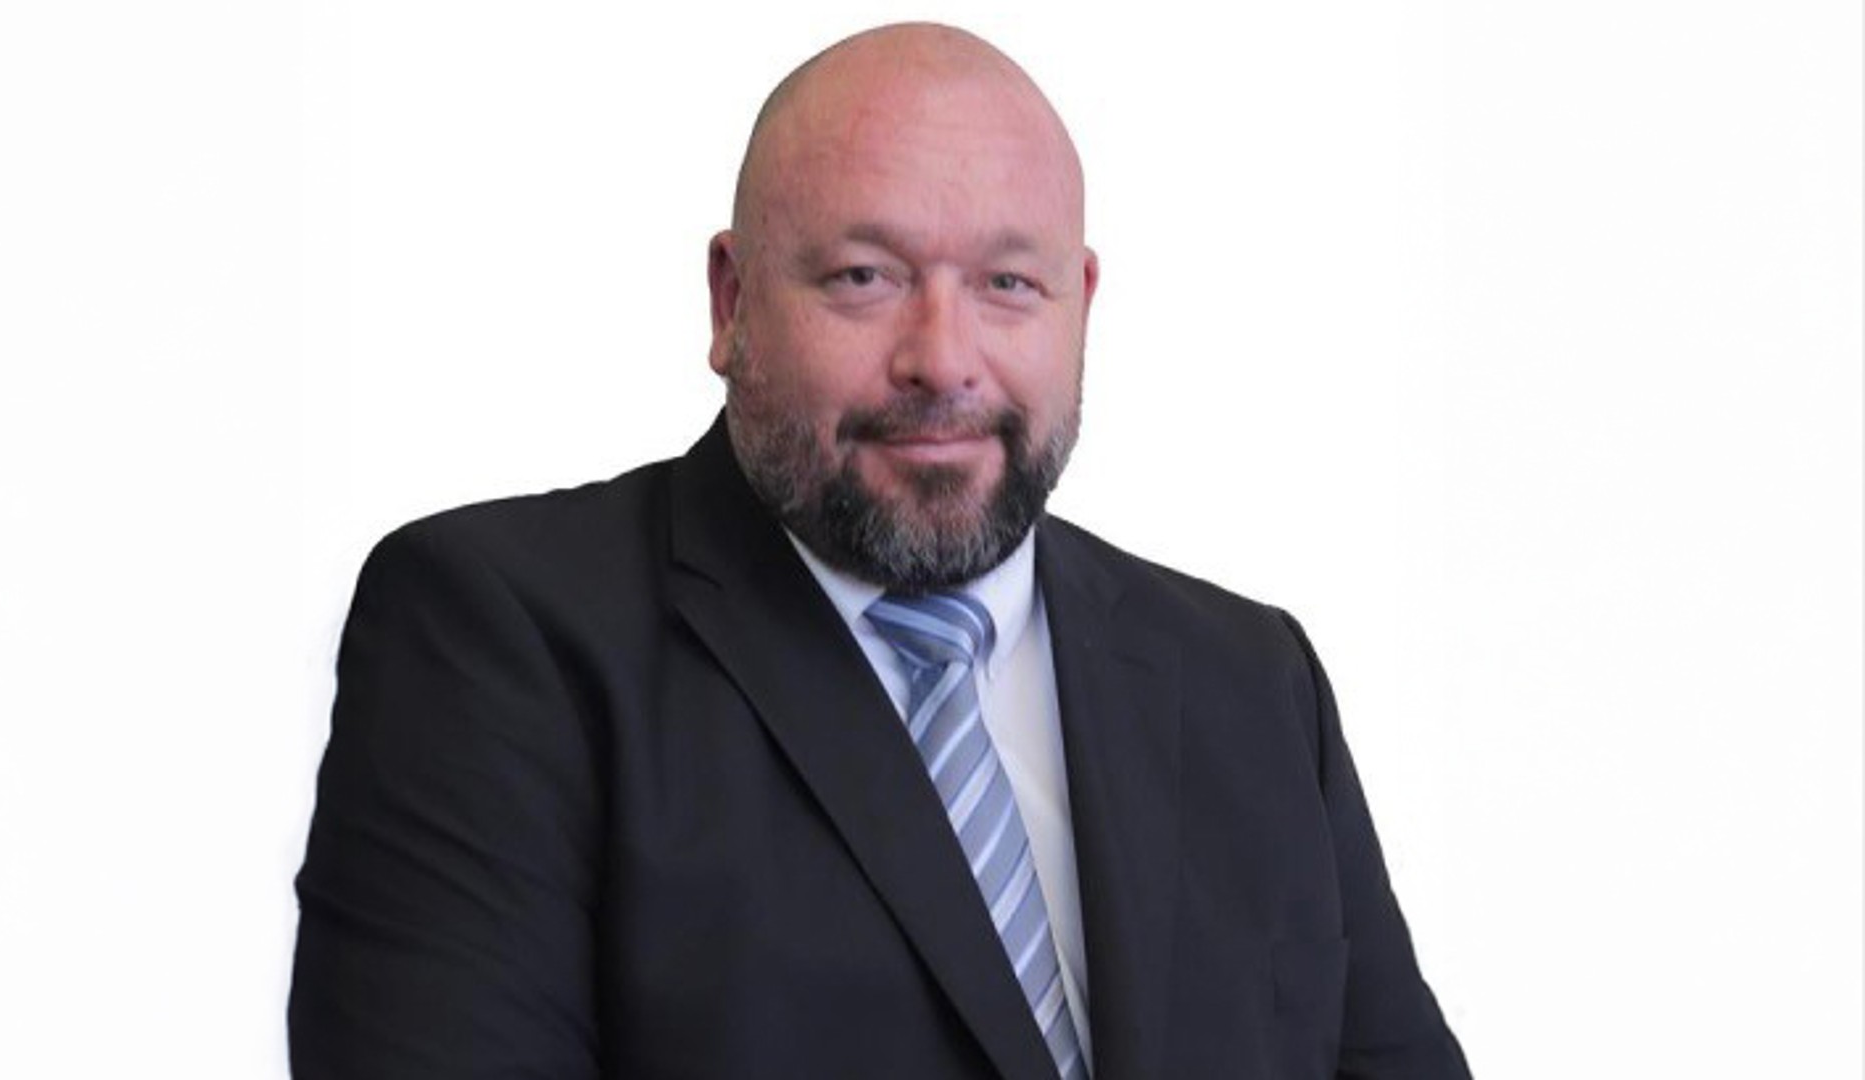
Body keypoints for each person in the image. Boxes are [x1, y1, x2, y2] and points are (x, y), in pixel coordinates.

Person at [289, 22, 1472, 1080]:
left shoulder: (1251, 681)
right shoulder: (497, 637)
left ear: (1080, 303)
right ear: (731, 302)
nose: (942, 359)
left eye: (1008, 283)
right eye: (866, 277)